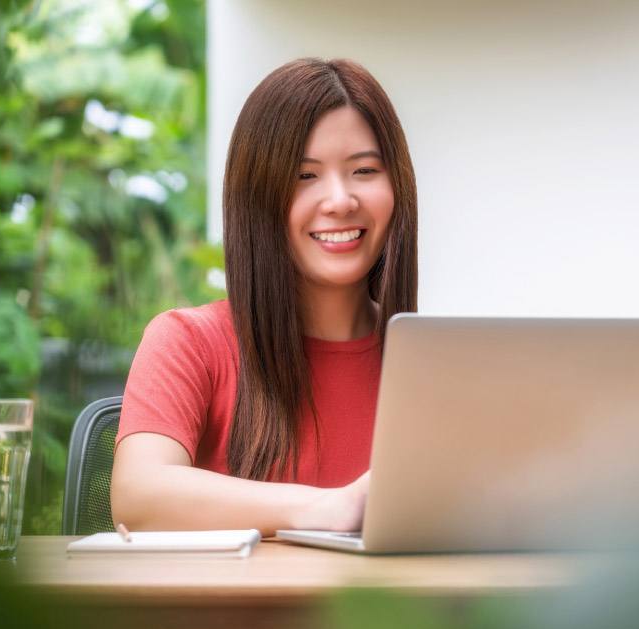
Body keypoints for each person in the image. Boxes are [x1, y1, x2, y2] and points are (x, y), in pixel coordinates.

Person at [110, 57, 418, 536]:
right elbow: (137, 496)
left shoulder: (429, 363)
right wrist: (328, 508)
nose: (340, 201)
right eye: (304, 176)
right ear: (258, 198)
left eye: (364, 170)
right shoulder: (190, 342)